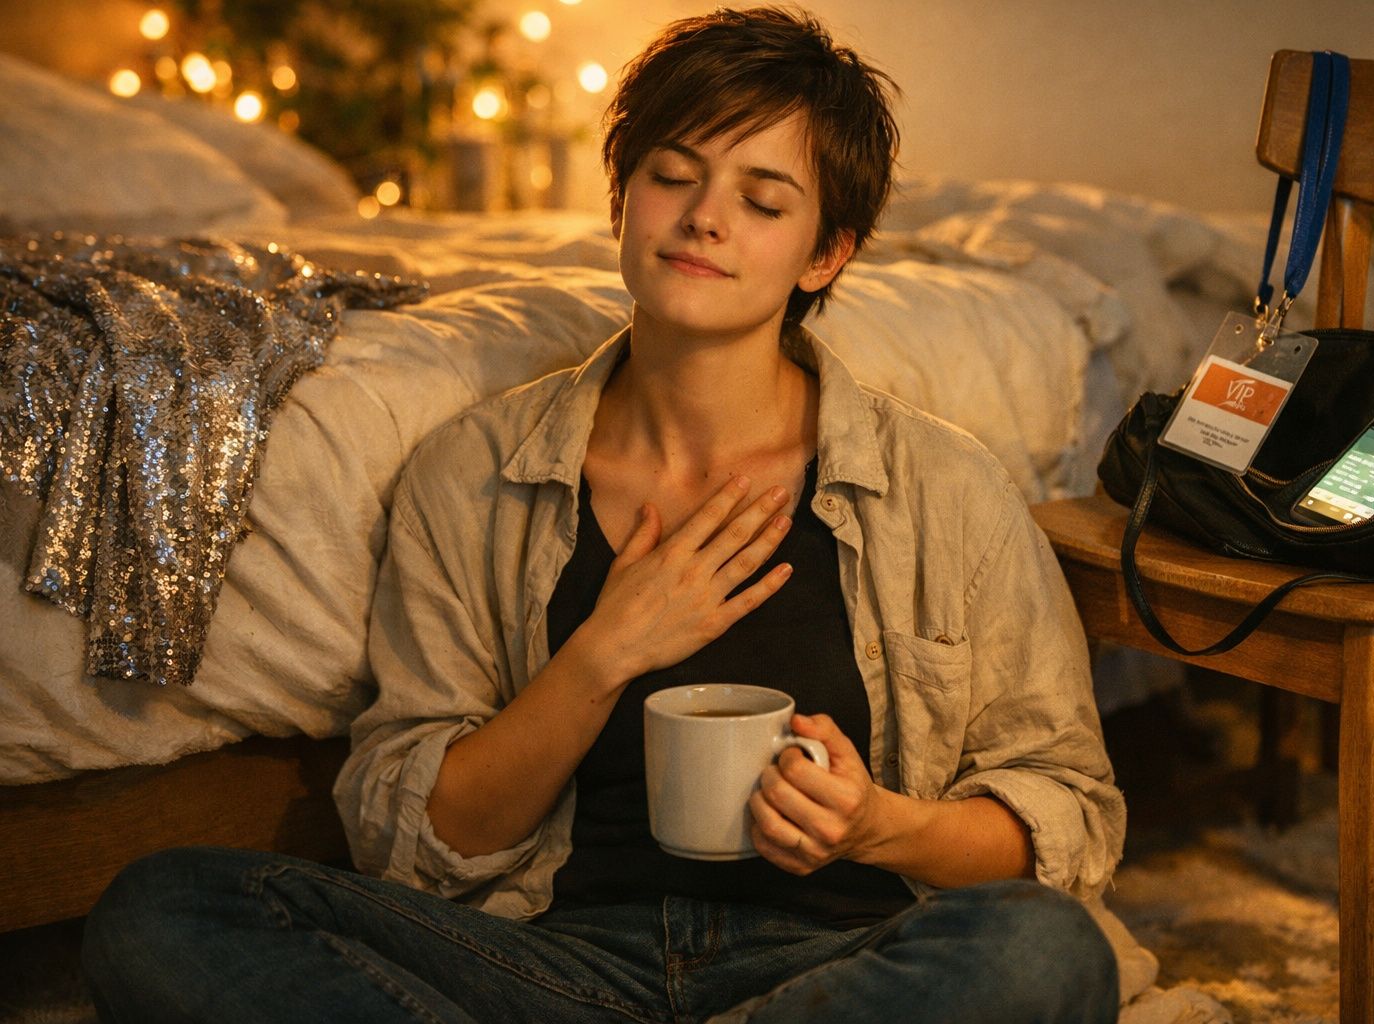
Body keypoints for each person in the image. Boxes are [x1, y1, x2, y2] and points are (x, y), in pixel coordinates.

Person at [82, 7, 1126, 1022]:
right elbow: (415, 837)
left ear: (825, 254)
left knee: (1042, 951)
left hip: (837, 959)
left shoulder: (945, 487)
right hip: (551, 956)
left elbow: (1063, 813)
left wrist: (879, 826)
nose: (703, 217)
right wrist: (602, 653)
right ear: (624, 199)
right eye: (674, 175)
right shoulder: (474, 472)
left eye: (763, 201)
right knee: (165, 911)